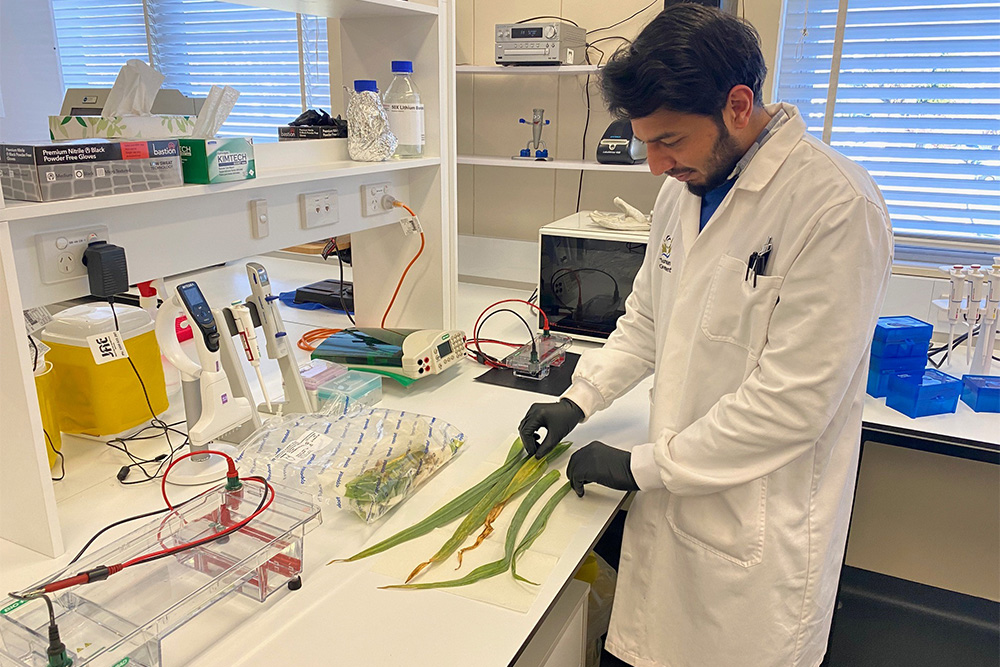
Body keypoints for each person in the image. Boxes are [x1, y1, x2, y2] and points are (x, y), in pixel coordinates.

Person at [517, 5, 893, 667]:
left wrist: (639, 466)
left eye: (670, 141)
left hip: (752, 541)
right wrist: (581, 397)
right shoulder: (682, 191)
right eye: (645, 143)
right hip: (674, 508)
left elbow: (791, 405)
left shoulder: (836, 208)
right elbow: (648, 322)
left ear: (739, 105)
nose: (655, 165)